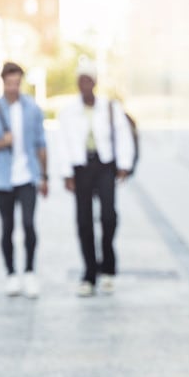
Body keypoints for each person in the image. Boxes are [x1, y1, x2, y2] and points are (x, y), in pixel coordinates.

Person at [0, 61, 49, 298]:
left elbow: (41, 144)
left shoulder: (32, 108)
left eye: (17, 83)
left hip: (28, 176)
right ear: (3, 81)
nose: (13, 87)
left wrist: (44, 176)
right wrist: (0, 143)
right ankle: (11, 274)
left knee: (29, 224)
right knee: (7, 227)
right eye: (9, 82)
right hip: (2, 178)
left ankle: (31, 272)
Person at [56, 59, 134, 297]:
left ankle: (108, 268)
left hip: (105, 166)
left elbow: (123, 136)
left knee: (109, 216)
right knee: (84, 221)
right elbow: (63, 142)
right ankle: (89, 273)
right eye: (81, 80)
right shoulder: (68, 111)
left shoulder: (110, 107)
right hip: (81, 168)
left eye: (89, 80)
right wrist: (66, 173)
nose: (85, 85)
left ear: (95, 82)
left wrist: (124, 165)